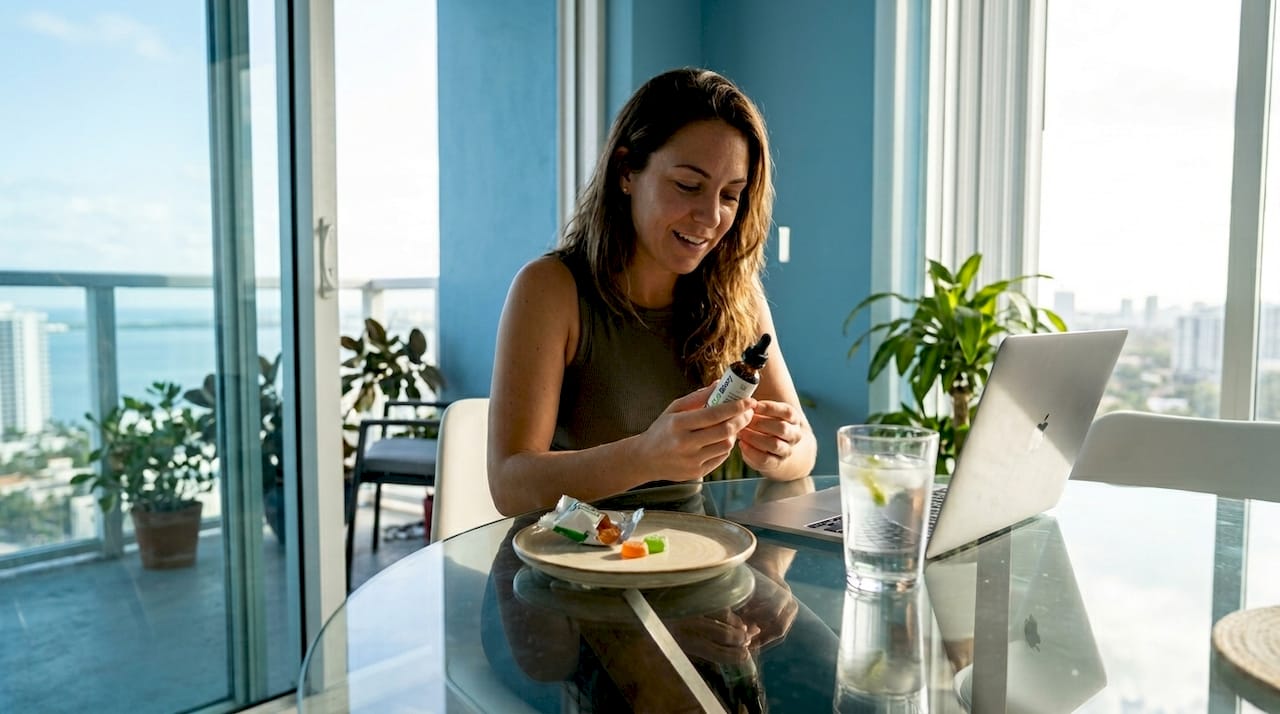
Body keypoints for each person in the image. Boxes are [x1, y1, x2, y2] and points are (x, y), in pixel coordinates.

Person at [488, 67, 817, 516]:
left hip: (697, 562)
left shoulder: (738, 296)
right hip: (572, 570)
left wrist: (781, 449)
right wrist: (646, 456)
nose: (710, 216)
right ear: (627, 171)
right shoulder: (550, 290)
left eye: (730, 195)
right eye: (688, 186)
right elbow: (510, 486)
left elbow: (806, 450)